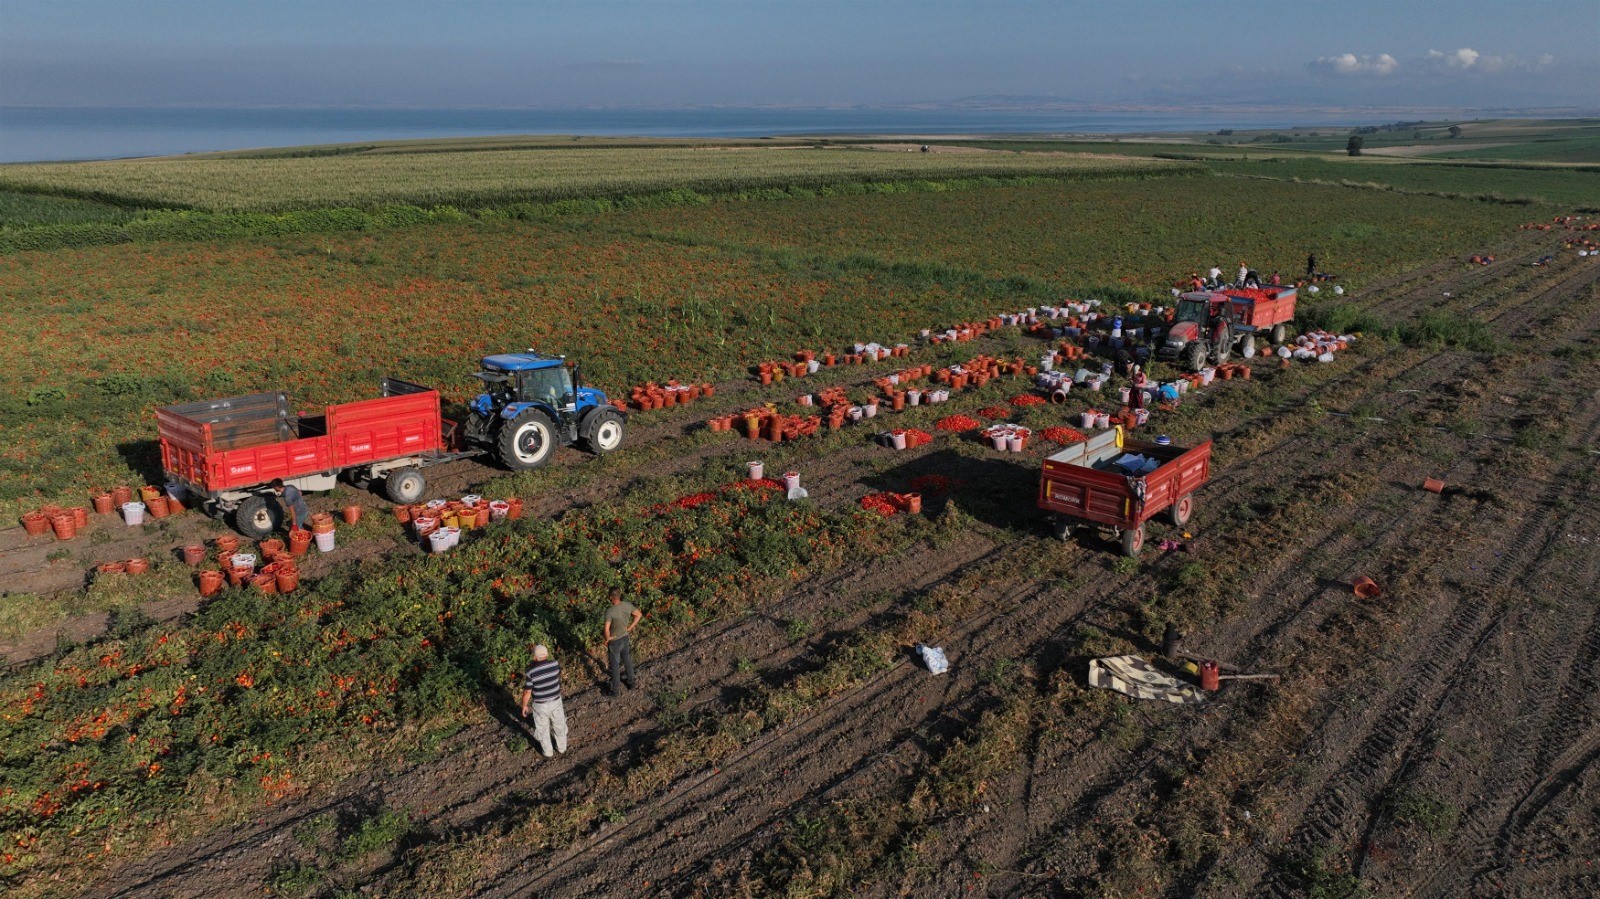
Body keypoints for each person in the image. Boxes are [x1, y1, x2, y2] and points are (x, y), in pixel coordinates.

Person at [520, 644, 568, 757]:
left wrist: (524, 706)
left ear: (535, 657)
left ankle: (548, 752)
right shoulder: (555, 665)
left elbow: (527, 692)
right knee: (559, 725)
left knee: (543, 729)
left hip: (540, 705)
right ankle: (561, 748)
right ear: (546, 654)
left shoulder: (530, 672)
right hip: (556, 702)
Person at [603, 590, 642, 696]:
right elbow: (638, 615)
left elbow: (606, 628)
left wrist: (607, 639)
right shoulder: (628, 605)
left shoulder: (610, 611)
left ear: (610, 597)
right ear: (619, 595)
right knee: (627, 660)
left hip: (614, 641)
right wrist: (630, 627)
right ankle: (631, 683)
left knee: (615, 666)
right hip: (625, 637)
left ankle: (615, 691)